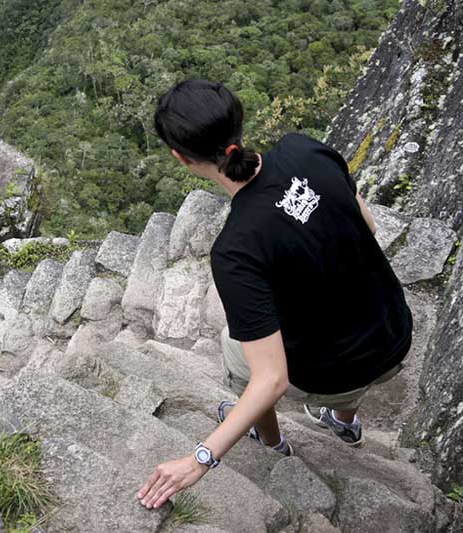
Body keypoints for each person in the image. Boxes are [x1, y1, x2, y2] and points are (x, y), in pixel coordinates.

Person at [137, 79, 413, 509]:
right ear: (237, 119)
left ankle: (273, 444)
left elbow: (273, 380)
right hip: (394, 331)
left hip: (338, 370)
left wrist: (199, 459)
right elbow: (371, 228)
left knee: (237, 346)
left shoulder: (236, 250)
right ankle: (344, 423)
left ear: (181, 158)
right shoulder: (305, 149)